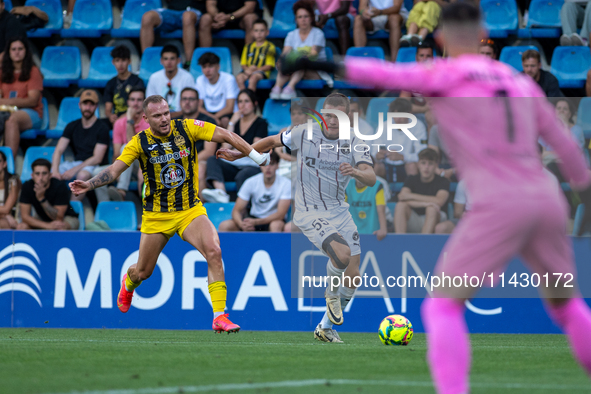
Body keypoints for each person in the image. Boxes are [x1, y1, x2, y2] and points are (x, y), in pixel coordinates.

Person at [281, 3, 591, 390]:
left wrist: (320, 64)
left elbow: (381, 73)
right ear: (482, 34)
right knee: (567, 306)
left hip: (500, 201)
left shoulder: (444, 73)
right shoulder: (518, 82)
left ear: (440, 36)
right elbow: (568, 150)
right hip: (546, 197)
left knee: (443, 306)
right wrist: (586, 203)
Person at [69, 95, 272, 333]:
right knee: (143, 271)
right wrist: (89, 184)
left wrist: (256, 156)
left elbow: (226, 135)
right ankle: (129, 281)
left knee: (214, 251)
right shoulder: (139, 142)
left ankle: (220, 316)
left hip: (190, 210)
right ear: (146, 119)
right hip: (157, 215)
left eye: (166, 112)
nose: (164, 118)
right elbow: (114, 170)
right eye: (157, 115)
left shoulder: (186, 127)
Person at [216, 93, 376, 343]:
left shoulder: (356, 142)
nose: (333, 121)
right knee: (342, 255)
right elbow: (270, 141)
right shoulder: (304, 132)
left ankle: (325, 328)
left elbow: (371, 176)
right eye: (329, 115)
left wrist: (355, 171)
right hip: (309, 209)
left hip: (339, 210)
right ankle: (331, 293)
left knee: (354, 275)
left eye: (339, 116)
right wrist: (240, 154)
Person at [202, 89, 268, 203]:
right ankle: (221, 193)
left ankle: (243, 207)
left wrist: (235, 150)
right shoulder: (235, 122)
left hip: (250, 165)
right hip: (235, 163)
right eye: (240, 102)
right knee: (213, 160)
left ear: (254, 103)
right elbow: (225, 148)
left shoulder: (260, 123)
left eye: (246, 101)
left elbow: (255, 148)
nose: (243, 105)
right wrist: (231, 122)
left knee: (243, 175)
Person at [51, 89, 110, 202]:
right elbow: (58, 150)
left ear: (96, 106)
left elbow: (97, 158)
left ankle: (72, 210)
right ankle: (56, 208)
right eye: (85, 103)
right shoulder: (72, 125)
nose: (88, 107)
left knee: (82, 176)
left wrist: (74, 170)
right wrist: (55, 172)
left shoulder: (102, 128)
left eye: (91, 104)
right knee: (47, 175)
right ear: (79, 105)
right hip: (77, 163)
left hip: (94, 166)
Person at [270, 0, 329, 100]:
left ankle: (290, 87)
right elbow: (285, 54)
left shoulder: (318, 34)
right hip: (296, 70)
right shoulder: (291, 35)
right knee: (286, 64)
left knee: (300, 62)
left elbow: (313, 54)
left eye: (306, 16)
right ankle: (277, 88)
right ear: (296, 19)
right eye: (300, 17)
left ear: (311, 18)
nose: (303, 20)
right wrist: (281, 62)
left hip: (316, 71)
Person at [219, 151, 291, 232]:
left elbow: (280, 215)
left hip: (271, 220)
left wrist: (256, 222)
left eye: (272, 164)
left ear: (277, 165)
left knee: (276, 225)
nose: (268, 167)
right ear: (260, 166)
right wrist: (242, 225)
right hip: (254, 218)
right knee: (225, 226)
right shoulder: (251, 182)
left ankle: (273, 245)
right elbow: (236, 211)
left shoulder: (286, 183)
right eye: (264, 164)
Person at [0, 37, 43, 159]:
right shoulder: (3, 71)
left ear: (26, 51)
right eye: (13, 49)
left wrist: (5, 101)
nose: (17, 52)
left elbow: (32, 100)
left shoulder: (33, 71)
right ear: (8, 52)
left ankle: (8, 165)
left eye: (20, 49)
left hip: (31, 112)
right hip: (5, 111)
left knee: (12, 120)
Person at [393, 148, 449, 233]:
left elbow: (439, 201)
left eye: (430, 164)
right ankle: (399, 243)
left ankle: (424, 244)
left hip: (437, 219)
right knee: (401, 206)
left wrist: (409, 196)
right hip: (415, 219)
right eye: (423, 163)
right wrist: (425, 203)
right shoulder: (411, 179)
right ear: (418, 164)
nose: (426, 167)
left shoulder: (443, 181)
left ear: (435, 165)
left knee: (431, 209)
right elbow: (401, 197)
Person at [176, 87, 218, 200]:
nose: (187, 102)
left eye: (191, 99)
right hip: (176, 162)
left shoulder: (208, 121)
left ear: (199, 102)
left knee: (199, 170)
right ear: (180, 102)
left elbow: (209, 152)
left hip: (199, 161)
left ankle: (201, 210)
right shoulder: (174, 122)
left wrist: (186, 162)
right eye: (184, 99)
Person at [373, 98, 428, 183]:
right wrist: (378, 155)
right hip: (387, 165)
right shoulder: (383, 126)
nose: (397, 119)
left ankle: (411, 193)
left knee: (411, 166)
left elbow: (422, 155)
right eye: (394, 115)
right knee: (377, 167)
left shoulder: (418, 127)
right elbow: (374, 152)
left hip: (407, 165)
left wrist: (402, 157)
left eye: (401, 115)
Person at [140, 0, 206, 69]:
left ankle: (189, 63)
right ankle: (145, 61)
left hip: (192, 10)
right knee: (147, 17)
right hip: (171, 11)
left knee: (187, 17)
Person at [109, 87, 149, 201]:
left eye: (139, 100)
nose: (135, 103)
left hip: (143, 164)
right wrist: (116, 171)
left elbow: (134, 147)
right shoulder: (118, 123)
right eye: (132, 99)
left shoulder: (149, 121)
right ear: (128, 102)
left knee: (126, 147)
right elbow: (116, 153)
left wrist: (130, 120)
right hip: (125, 166)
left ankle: (121, 191)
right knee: (97, 172)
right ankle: (107, 210)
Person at [18, 158, 79, 230]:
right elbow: (25, 217)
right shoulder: (27, 186)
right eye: (37, 174)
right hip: (41, 218)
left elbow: (58, 217)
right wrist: (47, 226)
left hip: (66, 217)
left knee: (60, 227)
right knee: (21, 226)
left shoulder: (59, 186)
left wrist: (41, 199)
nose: (40, 178)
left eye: (44, 173)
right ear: (32, 175)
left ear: (50, 175)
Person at [542, 98, 586, 182]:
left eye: (565, 109)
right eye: (558, 108)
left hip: (567, 166)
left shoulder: (576, 130)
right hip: (549, 163)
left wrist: (564, 124)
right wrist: (561, 154)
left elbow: (575, 153)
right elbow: (542, 153)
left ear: (569, 114)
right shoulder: (547, 129)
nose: (561, 111)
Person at [195, 52, 240, 128]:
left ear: (218, 66)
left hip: (225, 112)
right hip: (209, 113)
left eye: (210, 66)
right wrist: (212, 117)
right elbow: (198, 106)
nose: (207, 70)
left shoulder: (228, 79)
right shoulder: (200, 80)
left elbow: (229, 107)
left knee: (224, 120)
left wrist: (213, 118)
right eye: (204, 67)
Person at [146, 45, 195, 113]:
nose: (169, 62)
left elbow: (192, 104)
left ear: (178, 60)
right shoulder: (154, 78)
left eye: (172, 58)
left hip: (182, 116)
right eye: (166, 59)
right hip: (160, 116)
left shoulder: (187, 77)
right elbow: (150, 103)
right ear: (161, 61)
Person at [104, 45, 145, 125]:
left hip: (134, 117)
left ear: (129, 61)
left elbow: (138, 107)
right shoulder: (110, 83)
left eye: (123, 60)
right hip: (116, 119)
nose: (120, 64)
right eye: (117, 60)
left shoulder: (137, 81)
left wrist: (121, 119)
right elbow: (108, 108)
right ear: (113, 62)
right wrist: (110, 116)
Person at [236, 19, 276, 93]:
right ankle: (243, 96)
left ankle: (250, 98)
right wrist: (248, 70)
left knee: (253, 78)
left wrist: (255, 69)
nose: (259, 33)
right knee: (239, 78)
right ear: (252, 33)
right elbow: (243, 64)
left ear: (267, 32)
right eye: (256, 31)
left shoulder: (270, 47)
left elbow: (269, 66)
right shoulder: (247, 47)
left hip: (261, 72)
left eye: (262, 30)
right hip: (248, 71)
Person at [399, 41, 433, 113]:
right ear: (416, 57)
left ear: (432, 58)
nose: (424, 59)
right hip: (415, 115)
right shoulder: (410, 76)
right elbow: (403, 105)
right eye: (421, 55)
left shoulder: (440, 75)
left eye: (428, 56)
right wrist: (424, 109)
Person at [0, 150, 19, 229]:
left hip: (11, 220)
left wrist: (7, 215)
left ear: (4, 164)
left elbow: (7, 209)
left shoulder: (13, 180)